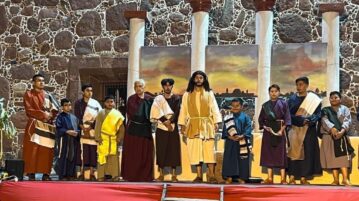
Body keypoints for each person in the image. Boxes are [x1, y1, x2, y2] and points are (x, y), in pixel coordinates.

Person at [178, 71, 222, 184]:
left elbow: (214, 108)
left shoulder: (209, 93)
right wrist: (182, 124)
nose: (198, 80)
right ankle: (198, 176)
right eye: (196, 78)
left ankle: (211, 175)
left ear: (204, 79)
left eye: (201, 78)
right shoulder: (187, 94)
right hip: (193, 125)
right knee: (195, 151)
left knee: (209, 151)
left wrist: (217, 122)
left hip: (207, 124)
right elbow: (183, 110)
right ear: (193, 79)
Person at [23, 73, 59, 181]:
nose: (42, 82)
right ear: (33, 82)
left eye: (43, 80)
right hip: (34, 125)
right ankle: (31, 173)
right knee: (32, 149)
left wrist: (49, 116)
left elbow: (55, 109)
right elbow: (29, 110)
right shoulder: (28, 94)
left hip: (47, 125)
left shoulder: (49, 95)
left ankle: (46, 173)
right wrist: (43, 115)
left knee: (47, 150)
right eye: (39, 80)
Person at [287, 77, 322, 185]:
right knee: (293, 152)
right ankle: (292, 177)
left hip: (309, 130)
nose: (299, 87)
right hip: (295, 129)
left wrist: (310, 120)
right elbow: (288, 114)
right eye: (297, 85)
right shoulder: (291, 99)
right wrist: (301, 120)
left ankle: (304, 177)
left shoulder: (314, 99)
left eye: (301, 84)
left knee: (307, 152)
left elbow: (318, 114)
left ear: (307, 85)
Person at [121, 79, 154, 182]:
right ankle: (131, 176)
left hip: (145, 130)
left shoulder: (149, 99)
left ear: (144, 87)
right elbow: (134, 114)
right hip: (133, 131)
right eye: (136, 86)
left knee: (145, 154)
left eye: (140, 86)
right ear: (134, 88)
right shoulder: (131, 99)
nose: (138, 88)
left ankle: (145, 176)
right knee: (133, 154)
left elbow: (154, 112)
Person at [258, 84, 291, 184]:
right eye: (271, 91)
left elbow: (287, 118)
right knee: (269, 154)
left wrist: (282, 130)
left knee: (281, 154)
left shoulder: (284, 103)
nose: (273, 93)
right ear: (269, 93)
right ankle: (269, 178)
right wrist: (265, 127)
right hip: (268, 132)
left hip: (280, 130)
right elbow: (261, 120)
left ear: (279, 92)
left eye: (275, 91)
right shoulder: (265, 105)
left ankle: (283, 178)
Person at [150, 78, 181, 182]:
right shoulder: (158, 98)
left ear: (172, 86)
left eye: (169, 85)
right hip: (161, 127)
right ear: (162, 86)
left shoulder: (176, 98)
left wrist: (170, 122)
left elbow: (177, 112)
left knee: (174, 150)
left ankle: (173, 175)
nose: (167, 87)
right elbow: (156, 110)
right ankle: (161, 174)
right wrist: (166, 122)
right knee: (161, 150)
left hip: (173, 127)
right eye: (165, 85)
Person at [320, 91, 353, 186]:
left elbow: (347, 121)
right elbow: (324, 120)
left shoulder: (345, 109)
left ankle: (345, 179)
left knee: (343, 159)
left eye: (336, 97)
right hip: (329, 136)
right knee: (332, 158)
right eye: (331, 98)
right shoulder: (325, 110)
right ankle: (335, 180)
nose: (333, 99)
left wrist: (342, 131)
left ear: (340, 99)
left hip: (341, 136)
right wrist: (332, 129)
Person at [74, 84, 102, 181]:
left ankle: (92, 173)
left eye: (91, 90)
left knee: (93, 152)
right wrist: (82, 127)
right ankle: (83, 173)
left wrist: (90, 127)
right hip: (82, 129)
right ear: (83, 92)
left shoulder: (95, 103)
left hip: (93, 130)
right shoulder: (78, 103)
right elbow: (77, 116)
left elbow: (99, 117)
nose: (90, 92)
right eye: (87, 90)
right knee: (83, 151)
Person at [222, 98, 252, 184]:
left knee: (242, 160)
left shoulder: (246, 117)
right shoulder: (228, 118)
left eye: (237, 106)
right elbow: (225, 131)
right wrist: (230, 137)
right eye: (233, 106)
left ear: (242, 107)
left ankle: (242, 177)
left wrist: (242, 136)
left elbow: (248, 128)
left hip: (242, 141)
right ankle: (229, 177)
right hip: (230, 141)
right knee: (229, 159)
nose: (235, 108)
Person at [94, 96, 125, 182]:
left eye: (111, 102)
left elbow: (121, 128)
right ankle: (100, 176)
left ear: (114, 103)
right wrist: (98, 137)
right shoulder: (101, 113)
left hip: (113, 139)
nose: (110, 103)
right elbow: (97, 126)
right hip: (103, 139)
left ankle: (115, 176)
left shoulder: (117, 114)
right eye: (108, 102)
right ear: (104, 103)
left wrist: (119, 138)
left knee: (114, 158)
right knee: (102, 157)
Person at [55, 98, 79, 181]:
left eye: (69, 105)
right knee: (64, 156)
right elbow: (58, 128)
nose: (68, 107)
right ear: (62, 107)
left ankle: (71, 174)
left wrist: (76, 132)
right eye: (66, 105)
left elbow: (78, 128)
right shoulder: (60, 117)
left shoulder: (74, 117)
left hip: (73, 140)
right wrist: (67, 131)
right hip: (64, 139)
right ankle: (63, 175)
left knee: (72, 156)